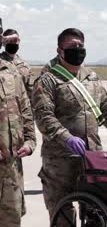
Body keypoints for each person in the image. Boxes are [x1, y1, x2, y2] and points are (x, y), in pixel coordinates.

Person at [32, 28, 107, 224]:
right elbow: (43, 116)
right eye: (72, 46)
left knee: (95, 211)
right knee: (62, 211)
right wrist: (66, 137)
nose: (78, 50)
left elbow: (106, 109)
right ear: (60, 50)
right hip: (61, 160)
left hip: (92, 156)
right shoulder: (48, 80)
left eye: (81, 46)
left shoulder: (92, 78)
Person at [0, 58, 36, 227]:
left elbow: (25, 108)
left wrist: (29, 140)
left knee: (11, 219)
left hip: (11, 167)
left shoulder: (11, 71)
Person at [1, 29, 33, 98]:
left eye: (15, 40)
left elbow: (30, 91)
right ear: (4, 42)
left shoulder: (25, 65)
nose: (13, 43)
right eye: (10, 40)